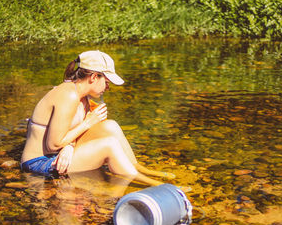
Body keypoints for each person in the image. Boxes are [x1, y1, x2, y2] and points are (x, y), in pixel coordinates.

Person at [21, 50, 179, 188]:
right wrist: (88, 123)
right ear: (94, 77)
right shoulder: (68, 95)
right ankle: (149, 183)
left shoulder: (82, 95)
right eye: (107, 82)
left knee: (110, 126)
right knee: (108, 145)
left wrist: (70, 145)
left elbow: (66, 130)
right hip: (40, 162)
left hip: (57, 154)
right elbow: (52, 145)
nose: (108, 88)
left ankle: (139, 168)